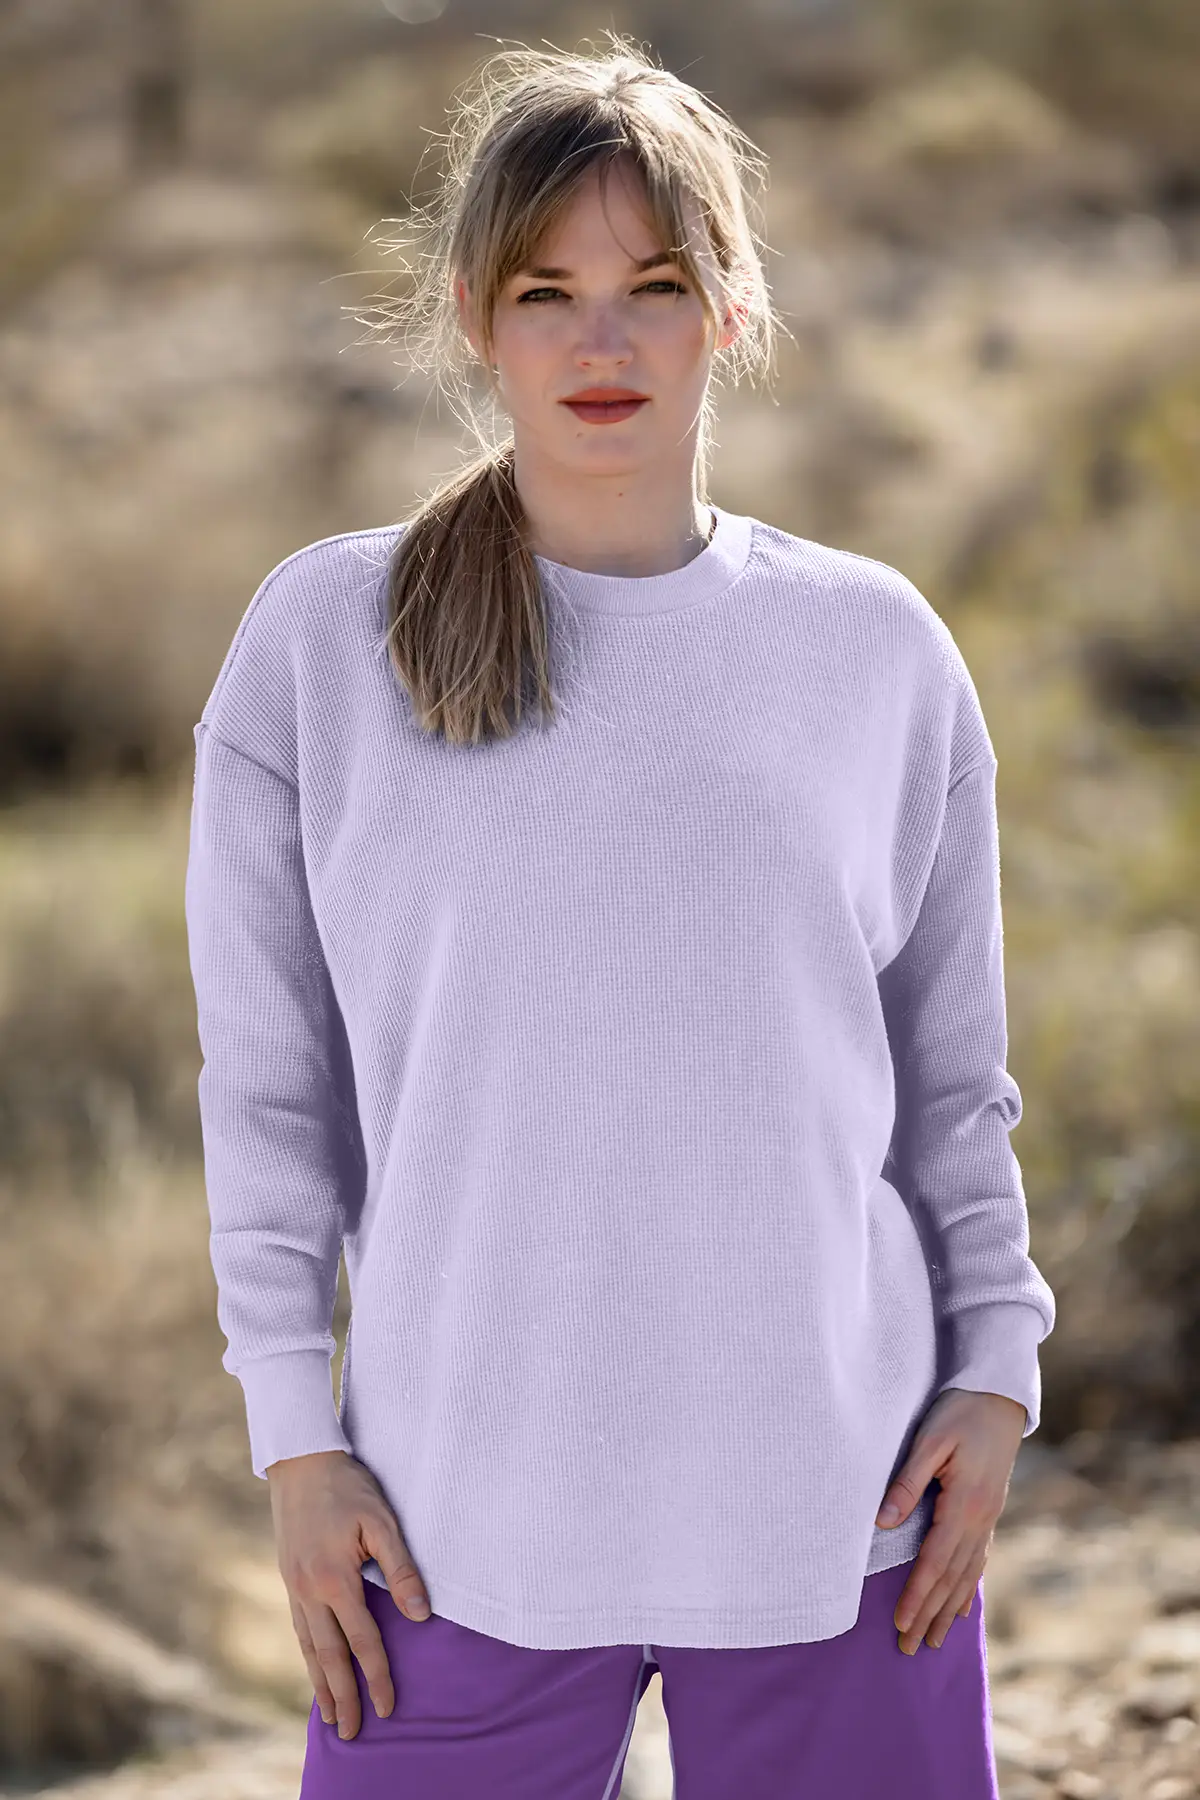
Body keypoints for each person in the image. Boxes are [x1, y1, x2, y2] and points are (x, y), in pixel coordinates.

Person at [183, 34, 1056, 1800]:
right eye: (548, 293)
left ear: (726, 309)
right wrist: (294, 1440)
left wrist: (997, 1371)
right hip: (445, 1529)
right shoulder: (322, 648)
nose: (604, 343)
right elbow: (273, 1096)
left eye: (655, 287)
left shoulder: (874, 651)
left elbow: (949, 1082)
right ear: (473, 317)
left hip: (841, 1510)